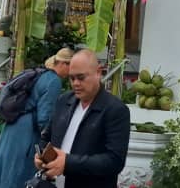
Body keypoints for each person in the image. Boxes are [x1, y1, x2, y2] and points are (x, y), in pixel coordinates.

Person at [36, 49, 130, 188]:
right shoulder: (64, 101)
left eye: (81, 78)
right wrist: (41, 156)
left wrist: (68, 162)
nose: (75, 83)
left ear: (98, 72)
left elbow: (114, 161)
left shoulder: (115, 110)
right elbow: (46, 137)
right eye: (72, 78)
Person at [0, 48, 73, 188]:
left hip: (12, 127)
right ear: (63, 64)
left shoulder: (40, 73)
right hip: (26, 133)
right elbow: (44, 117)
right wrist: (51, 141)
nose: (71, 74)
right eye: (71, 67)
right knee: (17, 174)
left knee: (0, 170)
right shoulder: (54, 81)